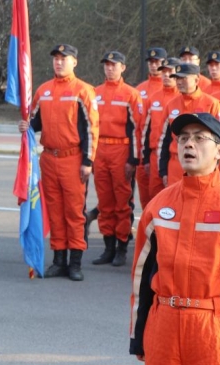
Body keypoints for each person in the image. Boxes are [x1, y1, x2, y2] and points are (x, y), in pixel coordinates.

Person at [129, 113, 220, 365]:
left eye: (200, 138)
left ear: (219, 151)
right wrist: (139, 334)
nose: (189, 144)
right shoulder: (158, 205)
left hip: (211, 327)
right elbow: (141, 275)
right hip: (162, 323)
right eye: (184, 138)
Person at [18, 44, 99, 281]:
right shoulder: (43, 90)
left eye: (64, 58)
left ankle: (75, 263)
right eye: (56, 58)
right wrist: (27, 126)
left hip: (73, 160)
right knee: (54, 212)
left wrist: (88, 160)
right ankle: (58, 260)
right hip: (49, 159)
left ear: (75, 62)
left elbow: (92, 129)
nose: (59, 62)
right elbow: (35, 121)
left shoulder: (83, 91)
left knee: (74, 212)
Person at [92, 51, 142, 267]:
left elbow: (136, 129)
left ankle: (122, 246)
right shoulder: (95, 93)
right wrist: (91, 156)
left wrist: (132, 159)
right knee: (105, 201)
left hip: (121, 150)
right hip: (100, 150)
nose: (110, 68)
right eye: (107, 65)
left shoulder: (131, 94)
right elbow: (90, 127)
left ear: (123, 67)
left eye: (114, 65)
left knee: (122, 201)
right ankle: (108, 246)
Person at [157, 63, 220, 188]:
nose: (179, 82)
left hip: (202, 164)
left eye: (184, 78)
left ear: (197, 79)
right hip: (175, 164)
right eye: (177, 78)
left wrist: (215, 167)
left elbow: (219, 139)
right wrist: (163, 170)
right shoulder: (171, 105)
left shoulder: (212, 104)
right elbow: (164, 140)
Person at [140, 58, 180, 202]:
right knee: (154, 196)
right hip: (155, 154)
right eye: (164, 72)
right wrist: (145, 157)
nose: (166, 75)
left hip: (176, 155)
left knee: (174, 197)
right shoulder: (153, 98)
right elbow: (145, 129)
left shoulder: (181, 99)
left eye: (170, 71)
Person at [134, 48, 167, 211]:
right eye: (151, 62)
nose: (154, 66)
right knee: (146, 198)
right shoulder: (139, 90)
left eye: (158, 63)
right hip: (145, 153)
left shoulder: (173, 89)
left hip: (166, 153)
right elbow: (138, 125)